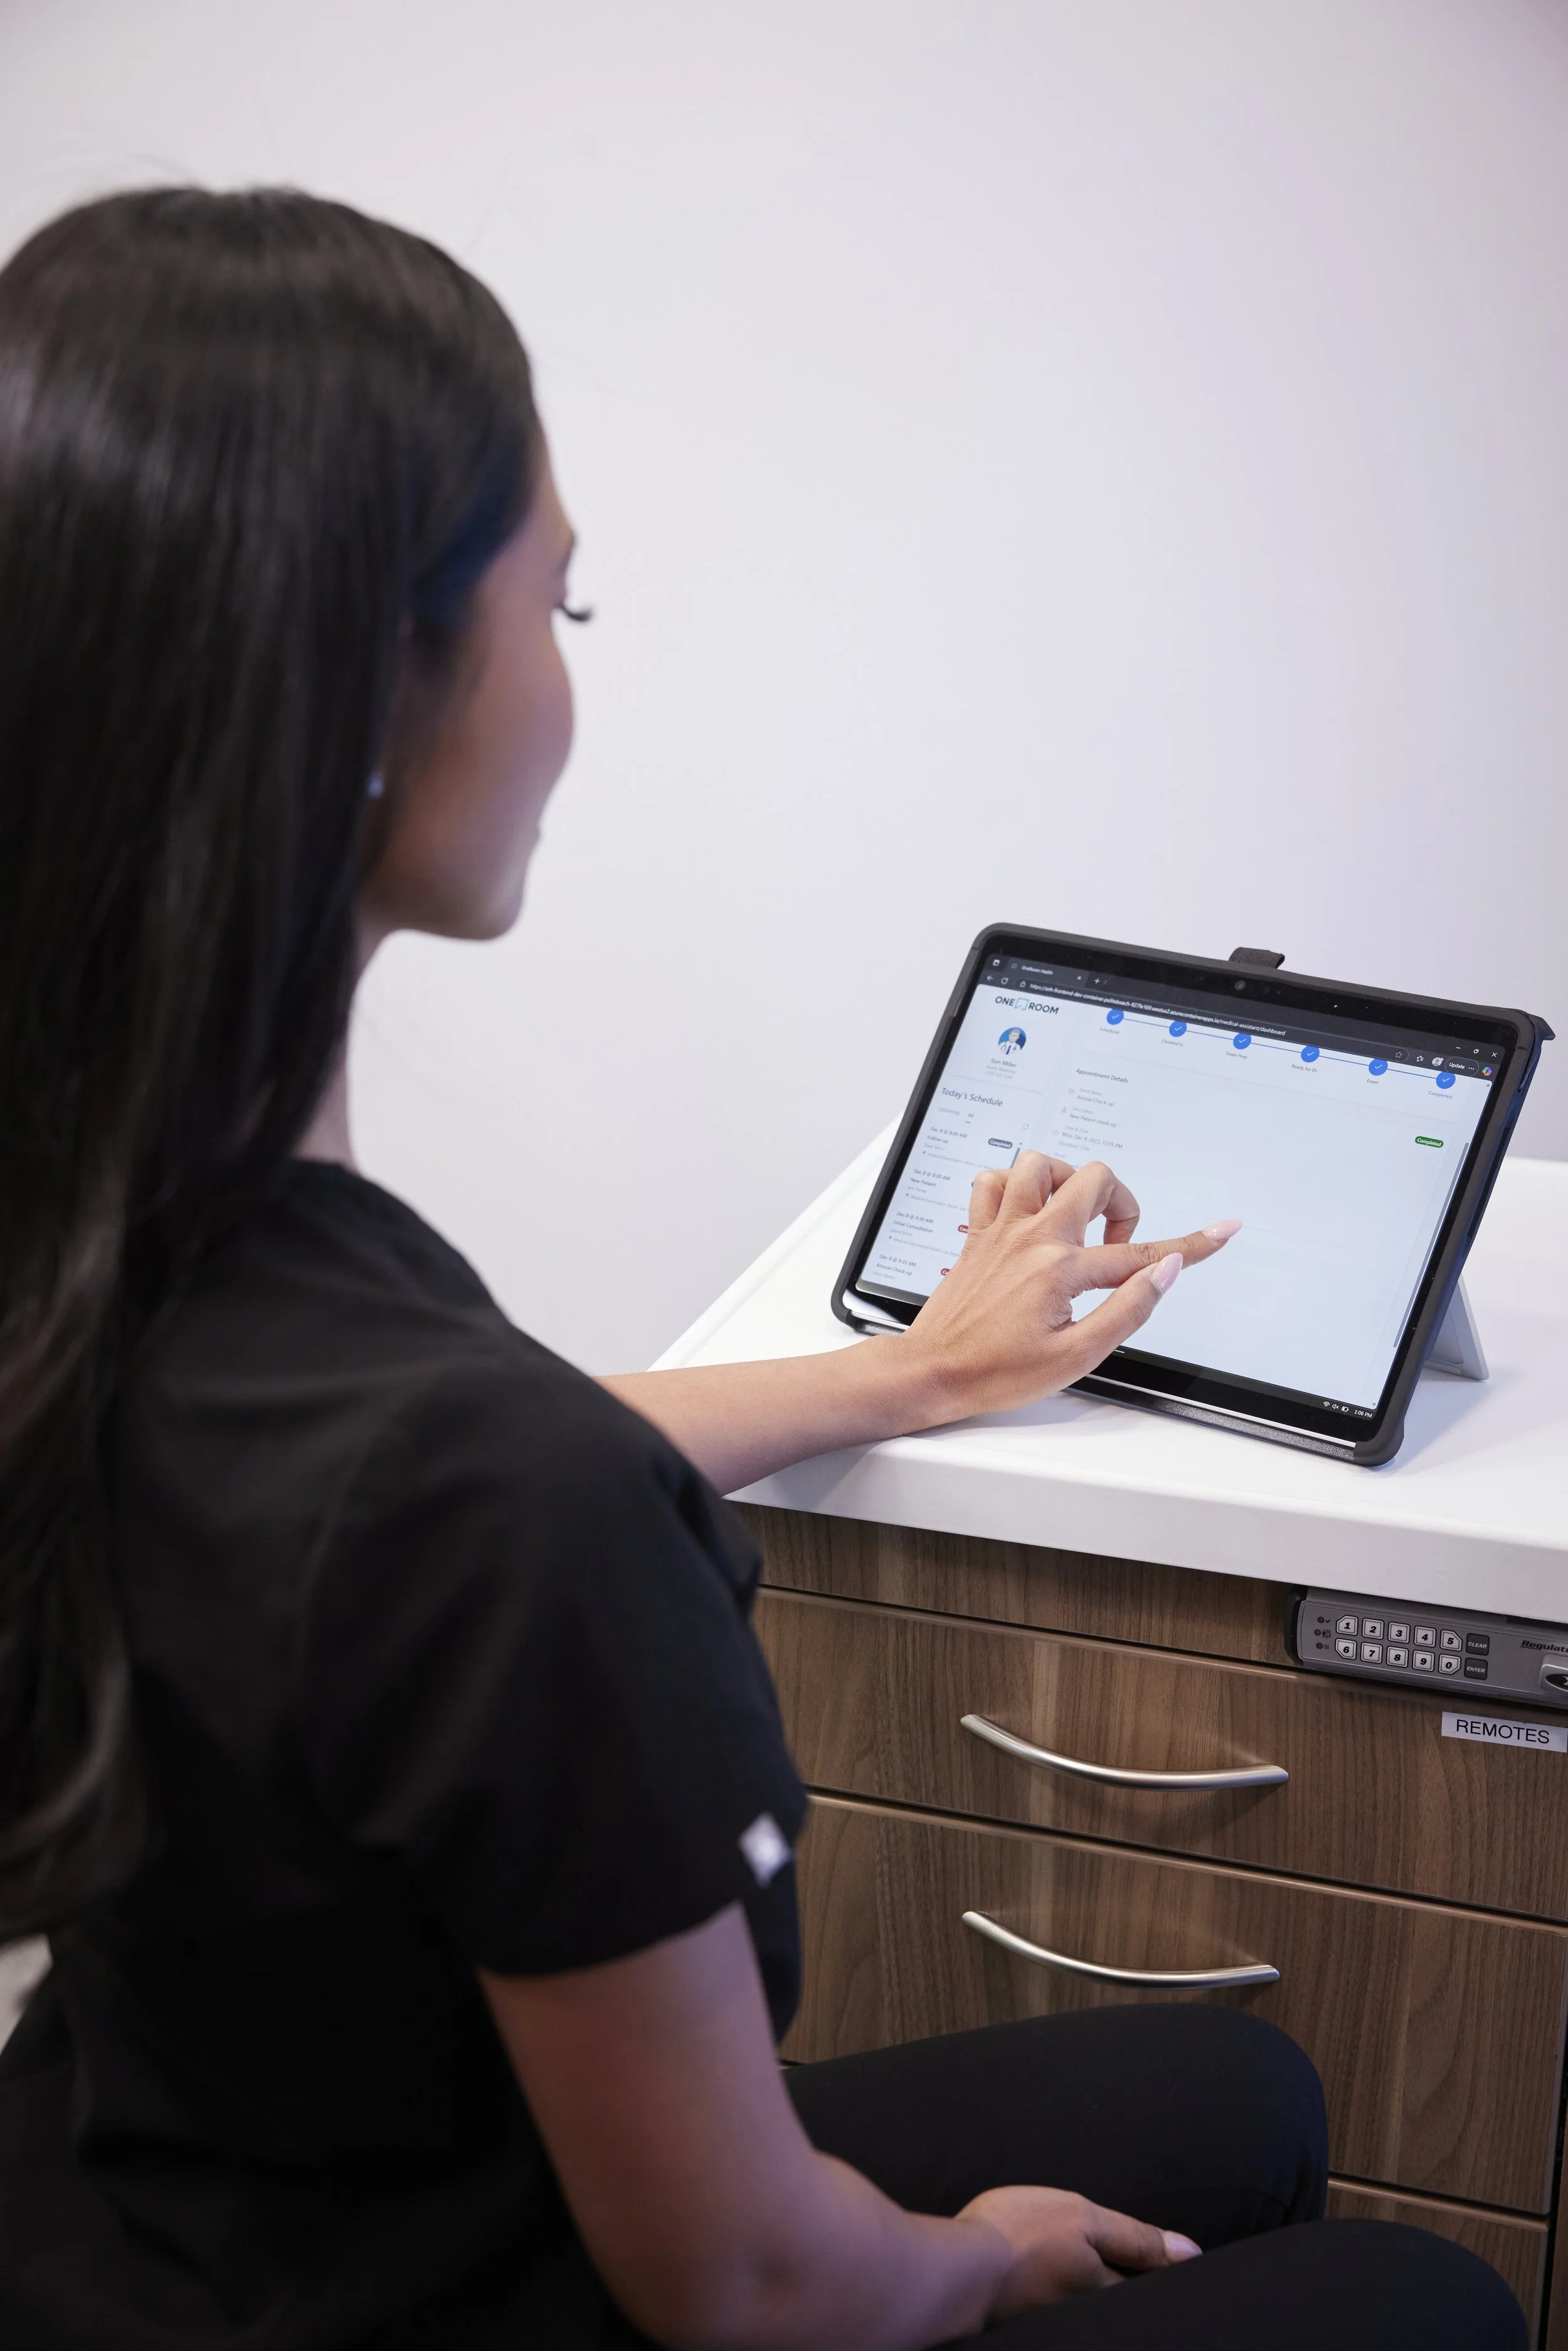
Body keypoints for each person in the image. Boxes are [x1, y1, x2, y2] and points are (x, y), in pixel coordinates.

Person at [0, 189, 1522, 2351]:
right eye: (569, 605)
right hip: (489, 2281)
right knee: (1412, 2300)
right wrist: (973, 2254)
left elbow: (419, 1507)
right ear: (371, 690)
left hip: (164, 2202)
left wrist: (898, 1379)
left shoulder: (103, 1258)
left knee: (1238, 2084)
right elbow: (741, 2280)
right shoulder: (480, 1501)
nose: (567, 678)